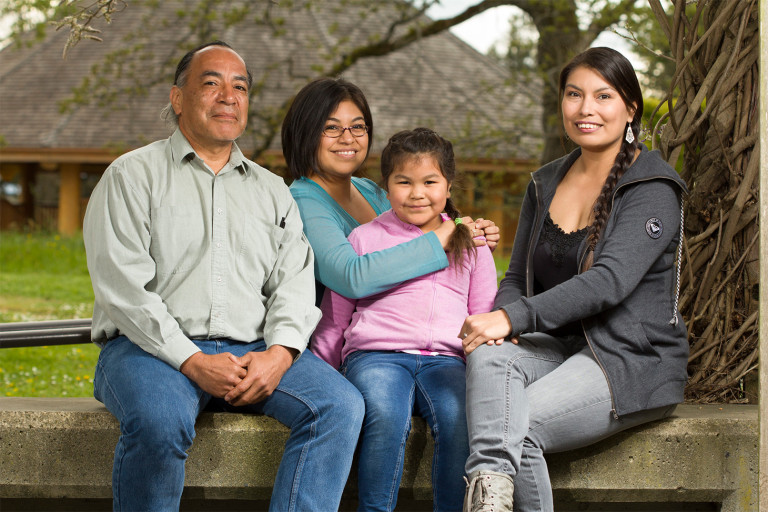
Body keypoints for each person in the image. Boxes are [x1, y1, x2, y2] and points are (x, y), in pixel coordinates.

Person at [83, 41, 364, 512]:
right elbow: (124, 290)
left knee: (339, 407)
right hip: (148, 351)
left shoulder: (272, 191)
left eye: (240, 87)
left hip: (252, 350)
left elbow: (294, 282)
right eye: (211, 83)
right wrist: (192, 360)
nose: (228, 97)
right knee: (158, 420)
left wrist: (279, 354)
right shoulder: (131, 176)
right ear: (177, 99)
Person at [458, 47, 689, 512]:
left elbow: (609, 282)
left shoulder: (652, 187)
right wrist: (509, 320)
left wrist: (512, 318)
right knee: (488, 357)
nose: (586, 109)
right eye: (574, 94)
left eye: (603, 96)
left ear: (630, 108)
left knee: (518, 429)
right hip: (559, 348)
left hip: (627, 357)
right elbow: (516, 279)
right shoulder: (544, 182)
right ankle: (488, 501)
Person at [312, 128, 498, 511]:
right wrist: (323, 371)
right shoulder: (365, 238)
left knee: (458, 418)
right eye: (404, 182)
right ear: (386, 186)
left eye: (430, 182)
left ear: (448, 186)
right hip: (377, 356)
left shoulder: (472, 244)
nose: (417, 193)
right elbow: (336, 316)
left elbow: (483, 315)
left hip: (447, 360)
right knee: (385, 414)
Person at [281, 77, 499, 305]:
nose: (348, 138)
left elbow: (417, 247)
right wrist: (440, 239)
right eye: (332, 128)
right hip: (349, 334)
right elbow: (351, 278)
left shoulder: (372, 191)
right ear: (305, 133)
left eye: (357, 126)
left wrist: (468, 239)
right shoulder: (301, 203)